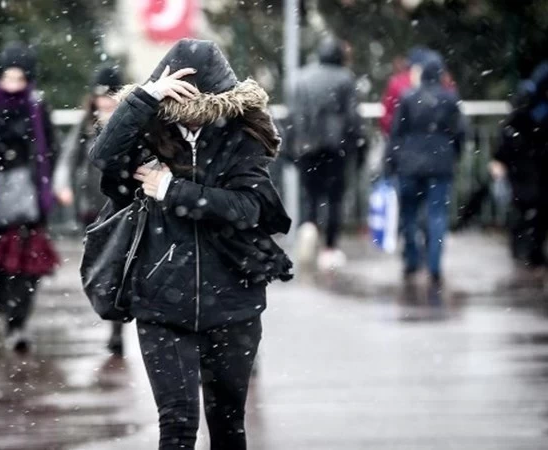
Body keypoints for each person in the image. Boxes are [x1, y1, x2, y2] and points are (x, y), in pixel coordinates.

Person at [90, 39, 292, 450]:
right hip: (161, 301)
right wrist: (146, 97)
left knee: (228, 427)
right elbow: (103, 157)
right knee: (178, 427)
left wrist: (173, 190)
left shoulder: (241, 137)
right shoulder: (148, 131)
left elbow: (249, 207)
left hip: (232, 301)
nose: (194, 120)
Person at [0, 42, 59, 354]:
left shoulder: (36, 106)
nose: (13, 84)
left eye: (19, 78)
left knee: (25, 266)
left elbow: (49, 150)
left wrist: (41, 186)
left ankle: (17, 323)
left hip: (28, 201)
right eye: (8, 77)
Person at [53, 64, 128, 355]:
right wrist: (64, 186)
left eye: (111, 95)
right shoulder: (86, 127)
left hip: (122, 205)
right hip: (93, 208)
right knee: (101, 266)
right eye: (101, 96)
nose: (105, 102)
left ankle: (117, 326)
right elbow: (69, 159)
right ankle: (110, 314)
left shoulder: (129, 123)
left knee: (119, 265)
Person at [387, 52, 465, 286]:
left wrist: (392, 161)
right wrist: (454, 155)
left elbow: (396, 133)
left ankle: (412, 261)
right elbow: (460, 132)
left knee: (409, 214)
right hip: (440, 165)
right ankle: (434, 265)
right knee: (437, 215)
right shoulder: (450, 99)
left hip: (410, 165)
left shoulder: (408, 97)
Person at [289, 37, 366, 270]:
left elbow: (293, 115)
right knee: (334, 198)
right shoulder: (345, 78)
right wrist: (358, 144)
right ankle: (330, 249)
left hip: (306, 145)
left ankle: (309, 227)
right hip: (335, 147)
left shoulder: (301, 77)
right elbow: (353, 117)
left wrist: (291, 146)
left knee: (310, 194)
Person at [491, 62, 548, 268]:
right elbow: (510, 132)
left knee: (541, 208)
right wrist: (502, 159)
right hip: (524, 166)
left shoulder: (547, 107)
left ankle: (534, 252)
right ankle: (524, 251)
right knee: (524, 207)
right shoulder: (528, 103)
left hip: (540, 166)